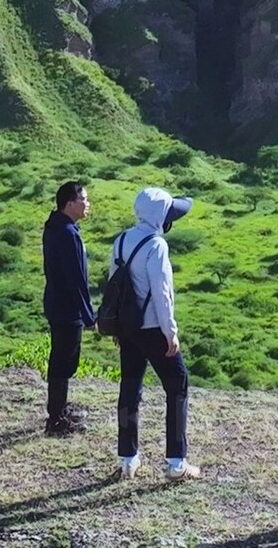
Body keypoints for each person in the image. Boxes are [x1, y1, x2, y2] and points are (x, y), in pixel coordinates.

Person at [105, 186, 200, 481]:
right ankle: (176, 462)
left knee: (130, 389)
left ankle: (128, 458)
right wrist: (170, 332)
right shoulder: (156, 245)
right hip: (153, 329)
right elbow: (162, 292)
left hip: (129, 328)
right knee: (177, 385)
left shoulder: (121, 240)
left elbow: (113, 284)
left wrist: (118, 326)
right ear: (160, 217)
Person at [40, 181, 95, 435]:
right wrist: (88, 315)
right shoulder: (67, 234)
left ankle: (59, 410)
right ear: (70, 204)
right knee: (64, 362)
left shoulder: (55, 227)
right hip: (67, 308)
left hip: (56, 303)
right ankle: (56, 419)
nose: (88, 204)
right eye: (84, 199)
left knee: (61, 360)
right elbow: (76, 279)